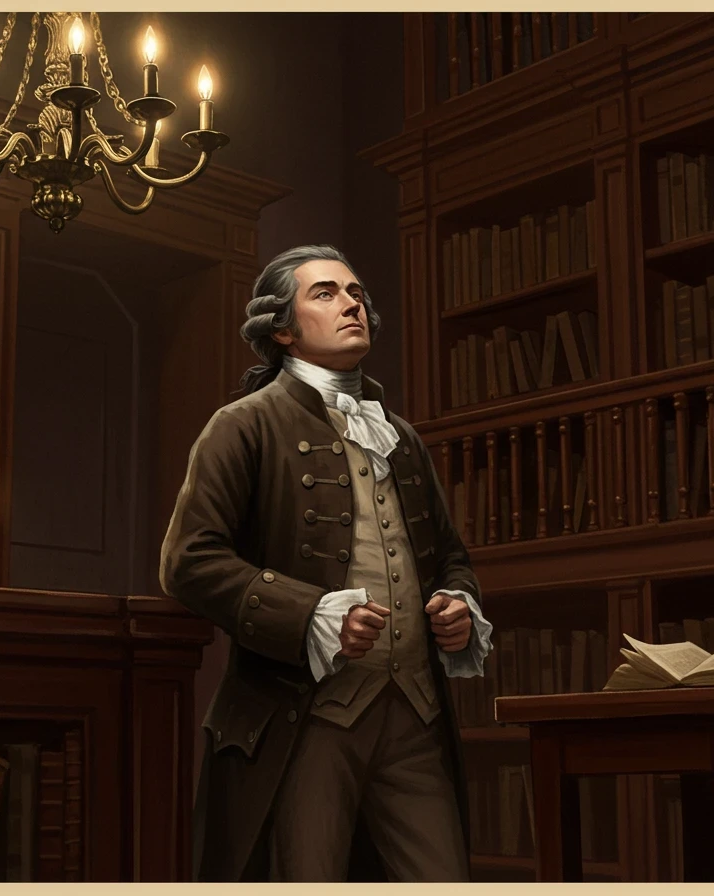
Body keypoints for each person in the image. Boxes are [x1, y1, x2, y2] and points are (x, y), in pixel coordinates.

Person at [160, 244, 493, 882]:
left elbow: (449, 555)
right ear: (282, 329)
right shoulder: (243, 426)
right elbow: (188, 561)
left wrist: (458, 603)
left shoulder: (401, 435)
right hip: (303, 716)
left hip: (415, 712)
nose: (351, 304)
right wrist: (309, 612)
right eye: (327, 293)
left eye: (356, 292)